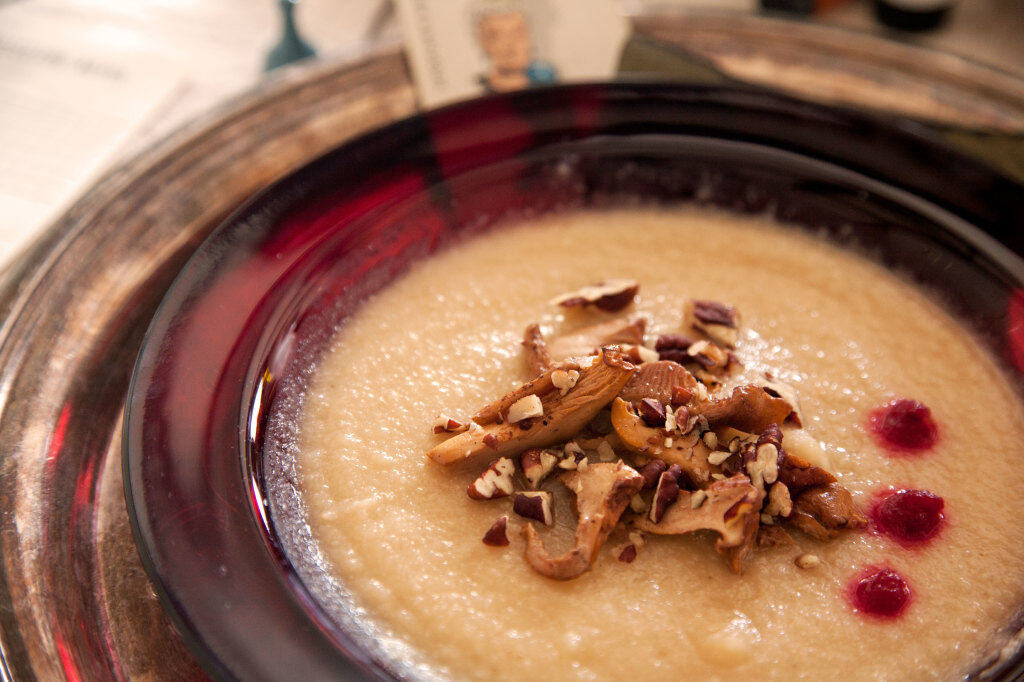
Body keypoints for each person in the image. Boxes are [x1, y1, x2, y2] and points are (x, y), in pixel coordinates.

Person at [474, 3, 557, 92]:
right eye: (496, 36)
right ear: (483, 43)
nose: (509, 44)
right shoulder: (476, 93)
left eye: (517, 33)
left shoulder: (548, 84)